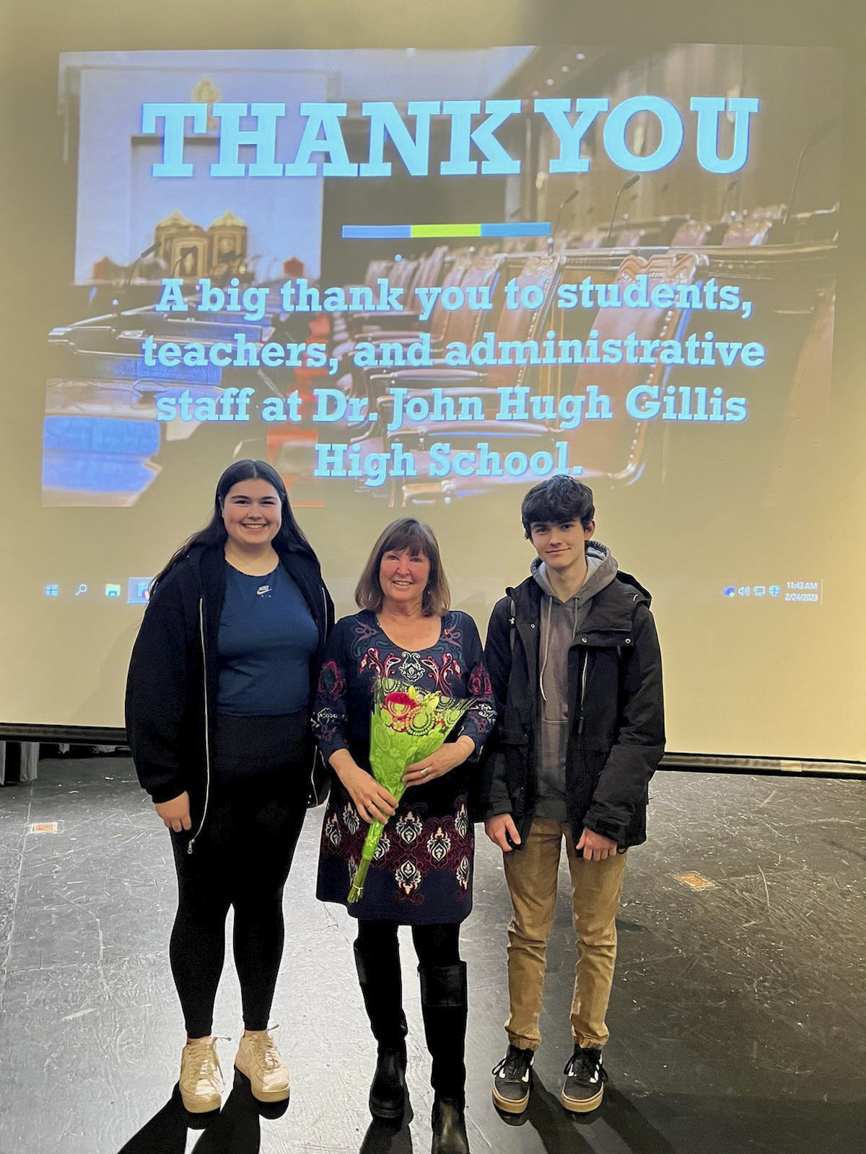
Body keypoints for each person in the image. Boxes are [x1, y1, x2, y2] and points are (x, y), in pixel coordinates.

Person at [125, 459, 333, 1115]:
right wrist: (164, 782)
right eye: (240, 501)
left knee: (264, 905)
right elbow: (152, 685)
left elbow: (324, 668)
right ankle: (197, 1049)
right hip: (207, 791)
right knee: (202, 910)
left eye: (265, 501)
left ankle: (256, 1039)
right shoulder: (190, 581)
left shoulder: (304, 574)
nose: (253, 512)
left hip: (283, 786)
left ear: (282, 509)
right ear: (221, 508)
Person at [312, 518, 496, 1154]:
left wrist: (458, 751)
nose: (404, 569)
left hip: (439, 819)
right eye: (394, 556)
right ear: (378, 565)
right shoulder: (349, 634)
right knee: (375, 936)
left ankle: (451, 1096)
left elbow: (483, 703)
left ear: (431, 569)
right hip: (369, 812)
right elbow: (326, 715)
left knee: (441, 953)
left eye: (416, 560)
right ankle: (389, 1058)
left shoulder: (461, 630)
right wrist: (351, 776)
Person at [482, 475, 664, 1116]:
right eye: (542, 528)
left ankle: (589, 1048)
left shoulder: (630, 611)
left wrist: (609, 817)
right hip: (531, 804)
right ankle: (521, 1046)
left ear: (589, 526)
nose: (554, 538)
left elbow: (645, 729)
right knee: (525, 932)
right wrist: (498, 801)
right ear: (530, 535)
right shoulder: (512, 612)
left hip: (597, 811)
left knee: (595, 933)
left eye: (566, 525)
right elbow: (494, 714)